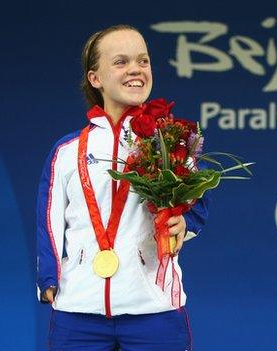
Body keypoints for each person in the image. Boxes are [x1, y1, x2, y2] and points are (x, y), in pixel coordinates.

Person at [36, 24, 209, 351]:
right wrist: (49, 278)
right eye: (121, 62)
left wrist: (184, 225)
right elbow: (49, 219)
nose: (136, 69)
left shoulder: (170, 141)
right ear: (95, 78)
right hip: (78, 310)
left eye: (143, 61)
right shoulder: (67, 151)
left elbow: (198, 207)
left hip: (154, 309)